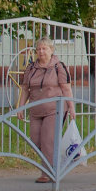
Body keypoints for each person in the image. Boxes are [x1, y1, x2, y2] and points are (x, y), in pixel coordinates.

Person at [14, 37, 75, 183]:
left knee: (47, 140)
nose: (41, 52)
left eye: (44, 48)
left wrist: (71, 107)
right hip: (35, 110)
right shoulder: (31, 68)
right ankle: (56, 164)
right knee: (36, 140)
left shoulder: (58, 67)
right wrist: (21, 107)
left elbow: (66, 88)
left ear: (51, 50)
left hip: (54, 109)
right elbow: (25, 88)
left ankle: (47, 173)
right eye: (39, 49)